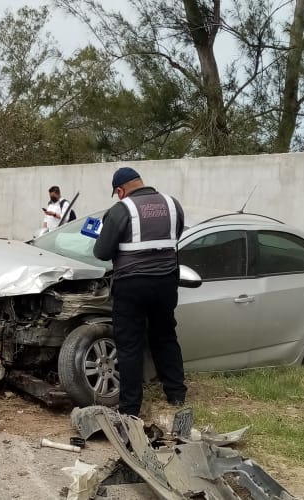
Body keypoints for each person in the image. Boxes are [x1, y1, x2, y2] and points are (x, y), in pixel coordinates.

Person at [92, 167, 186, 417]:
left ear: (120, 190)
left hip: (132, 285)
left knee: (129, 345)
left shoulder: (122, 210)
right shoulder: (172, 204)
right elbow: (174, 237)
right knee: (165, 336)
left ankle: (130, 408)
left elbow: (101, 252)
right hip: (166, 282)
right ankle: (176, 394)